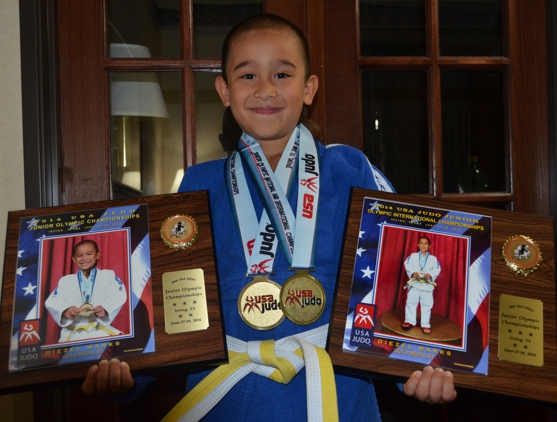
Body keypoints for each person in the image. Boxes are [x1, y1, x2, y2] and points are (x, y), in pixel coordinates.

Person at [82, 14, 456, 421]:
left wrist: (420, 368)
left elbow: (388, 281)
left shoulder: (352, 171)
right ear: (223, 90)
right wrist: (127, 374)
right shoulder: (197, 183)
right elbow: (173, 303)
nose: (265, 89)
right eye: (247, 76)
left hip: (333, 395)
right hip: (229, 397)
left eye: (282, 74)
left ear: (309, 88)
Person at [45, 239, 127, 343]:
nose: (84, 258)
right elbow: (53, 300)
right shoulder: (66, 280)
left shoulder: (108, 275)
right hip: (72, 332)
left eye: (89, 254)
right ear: (74, 259)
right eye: (79, 255)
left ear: (97, 255)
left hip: (100, 329)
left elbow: (118, 295)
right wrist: (66, 311)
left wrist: (105, 309)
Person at [402, 236, 441, 334]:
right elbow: (407, 264)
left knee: (426, 305)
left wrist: (430, 275)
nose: (423, 245)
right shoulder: (413, 256)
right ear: (418, 245)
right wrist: (412, 273)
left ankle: (425, 324)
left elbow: (437, 269)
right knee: (411, 303)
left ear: (430, 246)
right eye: (421, 243)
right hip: (415, 284)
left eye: (426, 243)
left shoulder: (433, 259)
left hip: (427, 286)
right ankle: (409, 321)